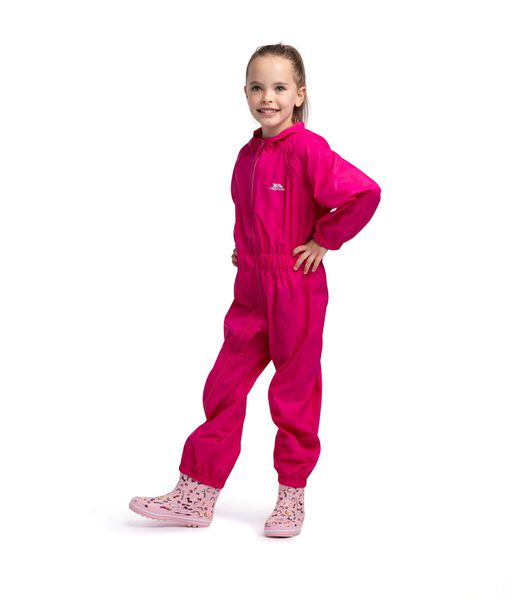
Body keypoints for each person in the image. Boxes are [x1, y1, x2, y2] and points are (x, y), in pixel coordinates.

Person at [129, 43, 382, 538]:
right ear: (244, 92)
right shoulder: (246, 156)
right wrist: (245, 250)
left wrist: (324, 240)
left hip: (295, 288)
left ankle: (291, 496)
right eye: (258, 87)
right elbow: (255, 215)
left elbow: (364, 192)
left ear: (299, 95)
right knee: (224, 385)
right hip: (251, 289)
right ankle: (197, 493)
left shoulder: (308, 149)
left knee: (294, 392)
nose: (268, 97)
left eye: (280, 88)